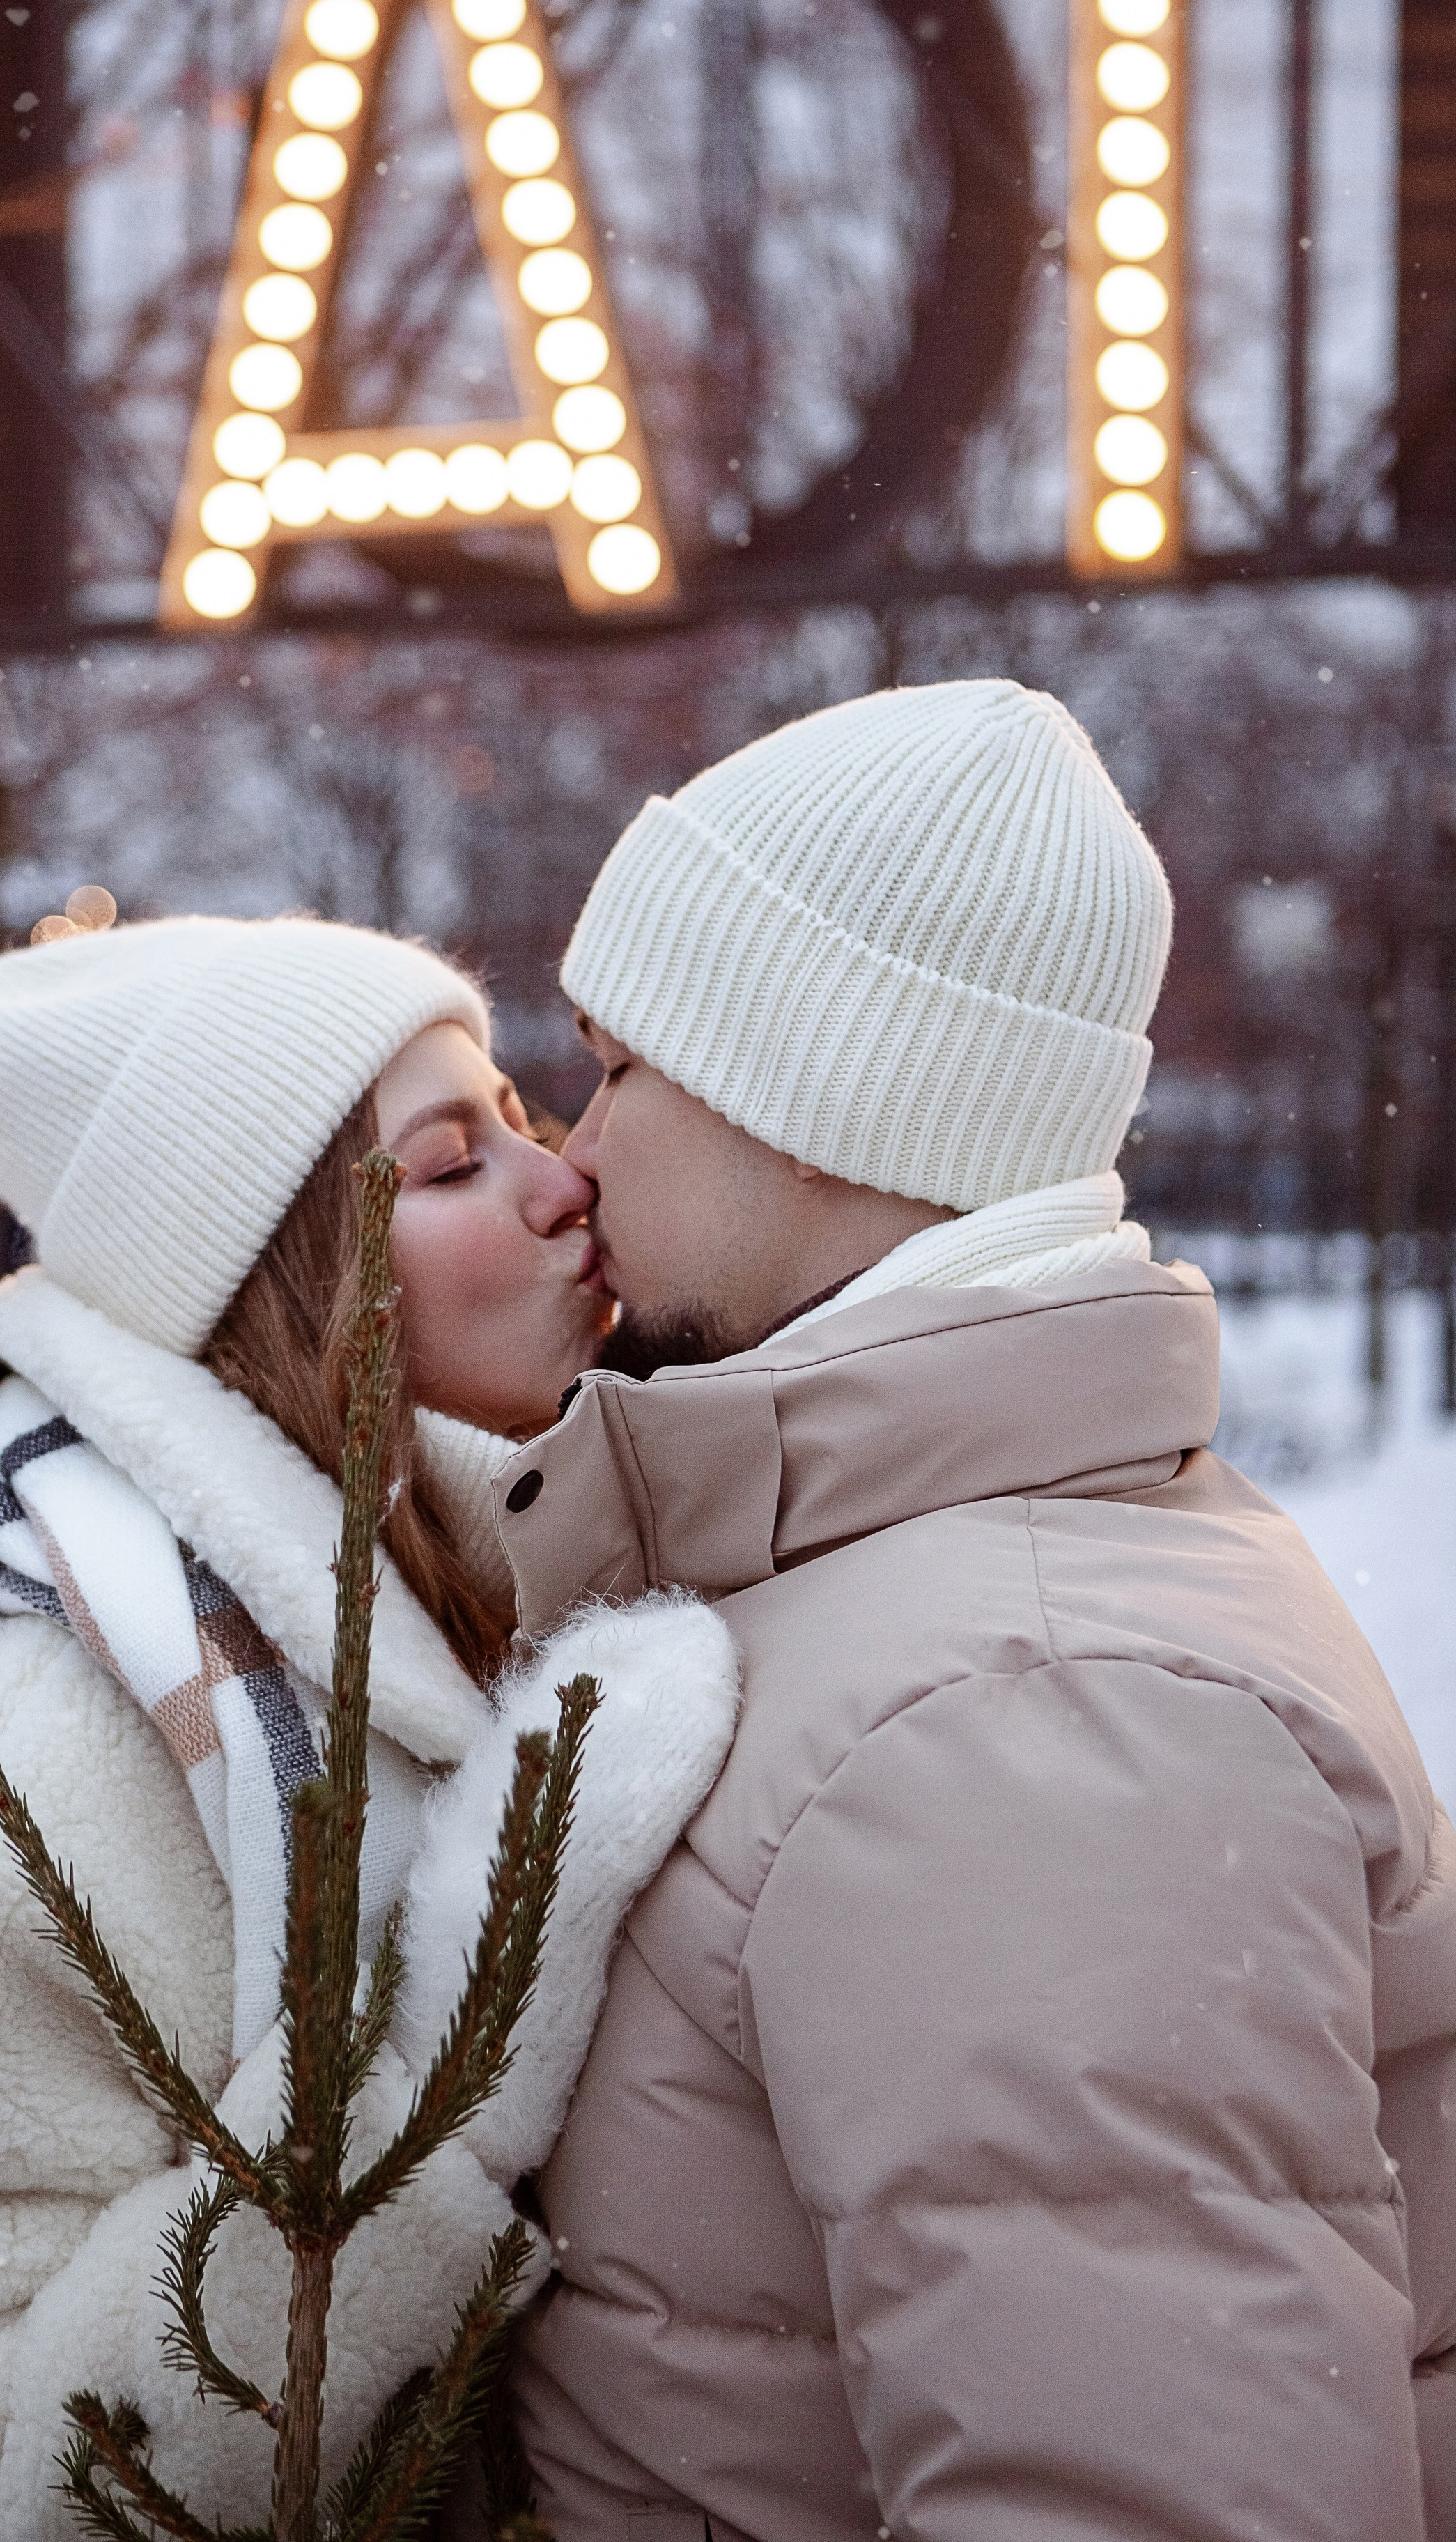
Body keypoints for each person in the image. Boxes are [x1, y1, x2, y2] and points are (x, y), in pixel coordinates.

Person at [491, 679, 1456, 2542]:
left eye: (620, 1068)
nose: (577, 1154)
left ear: (822, 1096)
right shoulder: (900, 1596)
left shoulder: (1026, 1709)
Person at [0, 914, 738, 2541]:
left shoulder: (468, 1631)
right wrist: (433, 2080)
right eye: (448, 1165)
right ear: (278, 1293)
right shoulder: (47, 1767)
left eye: (520, 1123)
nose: (558, 1185)